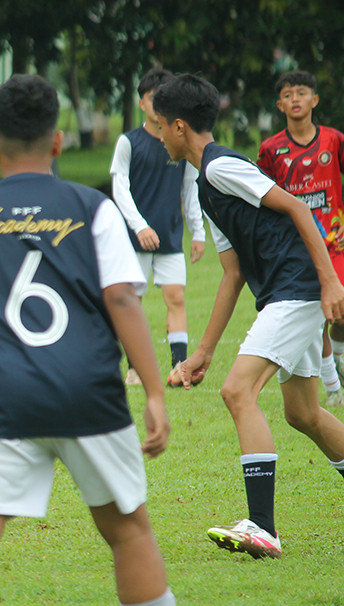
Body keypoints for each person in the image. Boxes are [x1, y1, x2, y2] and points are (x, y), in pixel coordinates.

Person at [0, 74, 174, 606]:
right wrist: (155, 391)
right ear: (57, 141)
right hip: (89, 392)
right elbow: (122, 300)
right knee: (128, 531)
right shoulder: (94, 210)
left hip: (0, 399)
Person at [157, 73, 344, 559]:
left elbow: (300, 208)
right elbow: (232, 273)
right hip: (282, 292)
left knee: (238, 391)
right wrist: (202, 351)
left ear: (179, 126)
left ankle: (262, 527)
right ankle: (263, 524)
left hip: (297, 289)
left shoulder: (221, 168)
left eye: (159, 126)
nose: (155, 135)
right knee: (303, 413)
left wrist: (329, 281)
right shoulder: (205, 187)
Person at [110, 67, 206, 387]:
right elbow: (119, 189)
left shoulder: (178, 143)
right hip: (134, 240)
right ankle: (134, 367)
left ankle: (179, 368)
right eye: (153, 99)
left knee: (176, 298)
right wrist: (139, 226)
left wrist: (199, 231)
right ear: (141, 104)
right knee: (131, 301)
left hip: (169, 236)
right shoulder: (128, 142)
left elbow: (191, 188)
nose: (158, 105)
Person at [257, 70, 344, 406]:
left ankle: (336, 356)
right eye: (289, 94)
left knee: (339, 313)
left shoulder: (333, 140)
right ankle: (333, 385)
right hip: (296, 248)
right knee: (317, 318)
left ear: (315, 100)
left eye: (302, 92)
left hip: (334, 242)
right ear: (280, 104)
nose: (296, 99)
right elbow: (262, 195)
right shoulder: (271, 149)